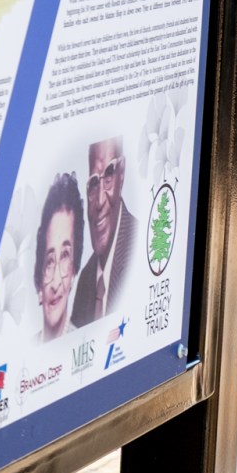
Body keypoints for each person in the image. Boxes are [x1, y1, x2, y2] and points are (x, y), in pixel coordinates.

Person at [71, 135, 137, 328]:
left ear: (122, 173)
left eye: (109, 174)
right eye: (93, 184)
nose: (99, 201)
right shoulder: (85, 280)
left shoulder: (139, 248)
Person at [34, 172, 84, 342]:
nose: (56, 283)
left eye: (64, 256)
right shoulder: (24, 348)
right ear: (39, 278)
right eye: (49, 262)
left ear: (74, 274)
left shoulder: (83, 341)